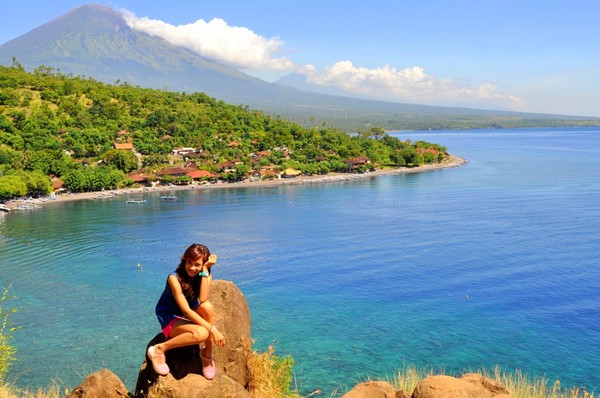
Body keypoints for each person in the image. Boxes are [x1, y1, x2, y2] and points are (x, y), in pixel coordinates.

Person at [147, 243, 226, 379]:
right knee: (201, 333)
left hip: (186, 312)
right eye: (189, 263)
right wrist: (213, 330)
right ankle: (159, 349)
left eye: (198, 264)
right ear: (184, 260)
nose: (192, 268)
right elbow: (187, 310)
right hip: (170, 316)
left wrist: (206, 269)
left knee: (207, 307)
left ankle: (207, 353)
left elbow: (203, 298)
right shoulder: (174, 278)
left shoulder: (204, 274)